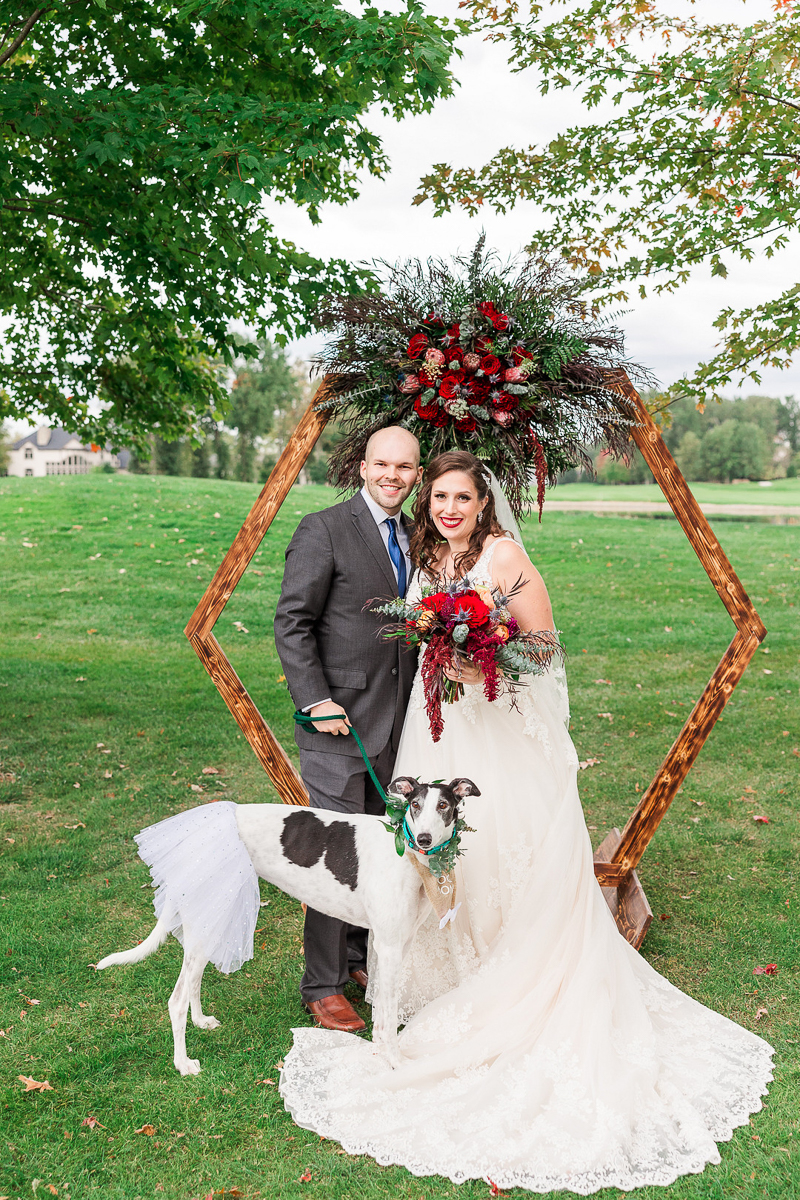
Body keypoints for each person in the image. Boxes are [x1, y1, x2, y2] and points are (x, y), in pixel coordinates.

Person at [279, 450, 774, 1194]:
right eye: (438, 495)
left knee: (504, 848)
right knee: (444, 857)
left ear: (484, 503)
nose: (449, 508)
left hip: (495, 733)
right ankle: (448, 968)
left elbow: (544, 648)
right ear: (429, 501)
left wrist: (486, 660)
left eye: (461, 497)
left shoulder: (504, 557)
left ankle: (508, 978)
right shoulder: (428, 556)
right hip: (434, 726)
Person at [273, 425, 422, 1033]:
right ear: (362, 467)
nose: (393, 476)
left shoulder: (417, 535)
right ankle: (323, 984)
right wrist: (315, 700)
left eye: (406, 467)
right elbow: (293, 622)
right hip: (337, 725)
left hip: (402, 722)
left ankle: (361, 957)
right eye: (382, 464)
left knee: (384, 851)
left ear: (417, 474)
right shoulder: (324, 529)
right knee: (334, 856)